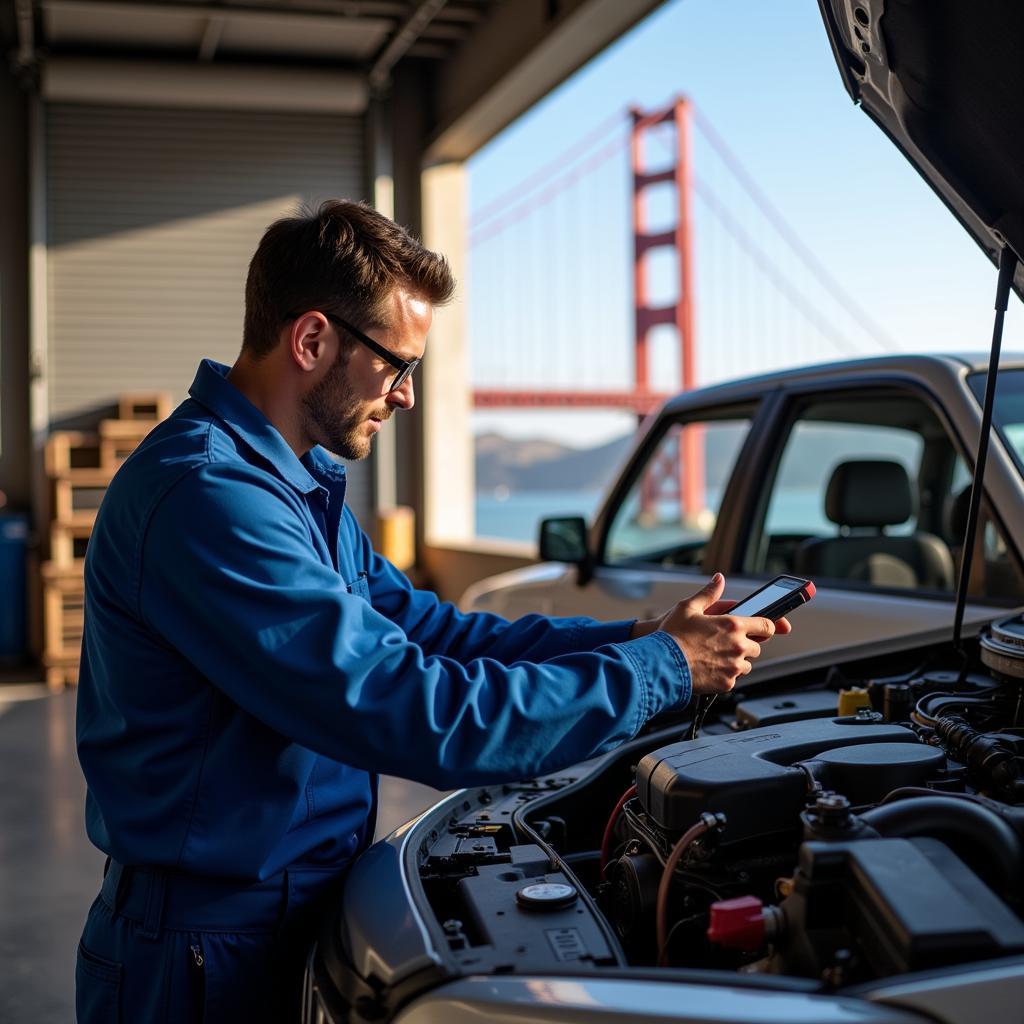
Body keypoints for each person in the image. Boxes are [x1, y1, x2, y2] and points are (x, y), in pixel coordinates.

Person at [75, 199, 789, 1023]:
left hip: (281, 914)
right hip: (202, 955)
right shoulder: (210, 497)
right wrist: (662, 671)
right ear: (311, 342)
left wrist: (635, 638)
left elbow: (432, 631)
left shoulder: (289, 488)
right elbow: (413, 708)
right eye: (396, 366)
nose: (408, 397)